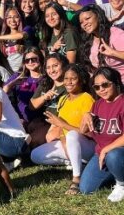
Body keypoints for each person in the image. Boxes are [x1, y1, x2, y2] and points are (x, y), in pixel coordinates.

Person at [79, 67, 124, 200]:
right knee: (86, 189)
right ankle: (118, 173)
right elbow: (83, 131)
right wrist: (86, 116)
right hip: (103, 155)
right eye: (97, 87)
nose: (102, 90)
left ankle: (123, 184)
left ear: (116, 83)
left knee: (114, 154)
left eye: (105, 85)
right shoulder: (97, 104)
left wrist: (105, 150)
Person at [31, 63, 95, 194]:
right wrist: (62, 138)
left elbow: (87, 133)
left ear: (82, 80)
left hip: (87, 144)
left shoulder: (87, 99)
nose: (69, 82)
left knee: (72, 135)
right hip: (68, 142)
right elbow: (61, 129)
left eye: (73, 78)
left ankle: (76, 179)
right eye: (66, 78)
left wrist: (62, 125)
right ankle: (77, 162)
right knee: (35, 155)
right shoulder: (63, 99)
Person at [78, 5, 124, 99]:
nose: (84, 23)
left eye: (87, 18)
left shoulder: (115, 34)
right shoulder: (88, 41)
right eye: (81, 22)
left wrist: (113, 52)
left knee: (118, 104)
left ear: (98, 16)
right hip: (111, 85)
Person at [27, 52, 68, 148]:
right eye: (48, 67)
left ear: (64, 66)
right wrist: (44, 97)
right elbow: (31, 106)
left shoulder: (69, 84)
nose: (52, 70)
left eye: (55, 66)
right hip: (42, 120)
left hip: (58, 123)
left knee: (35, 141)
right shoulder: (46, 83)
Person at [3, 46, 44, 124]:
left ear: (40, 59)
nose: (30, 62)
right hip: (19, 118)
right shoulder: (19, 76)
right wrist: (13, 83)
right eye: (27, 60)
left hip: (38, 119)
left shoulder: (45, 78)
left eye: (34, 59)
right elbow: (3, 91)